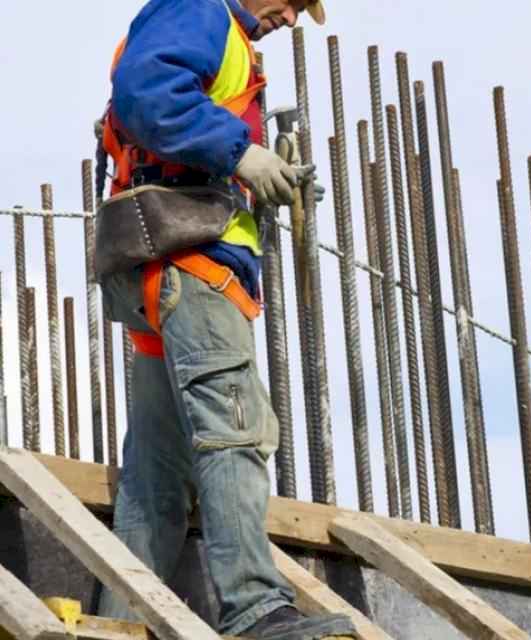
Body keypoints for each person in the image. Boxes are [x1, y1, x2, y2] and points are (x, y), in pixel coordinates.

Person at [94, 1, 355, 638]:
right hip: (193, 264)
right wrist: (240, 153)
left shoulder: (225, 36)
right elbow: (146, 92)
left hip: (163, 264)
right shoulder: (201, 10)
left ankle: (122, 623)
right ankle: (255, 611)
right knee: (234, 429)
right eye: (293, 2)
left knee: (157, 466)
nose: (292, 18)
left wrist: (261, 172)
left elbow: (174, 129)